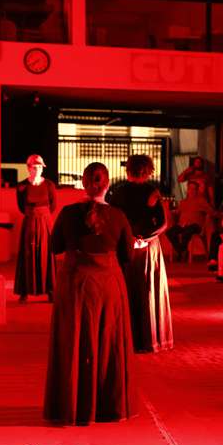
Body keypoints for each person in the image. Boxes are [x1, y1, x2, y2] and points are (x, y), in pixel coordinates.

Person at [44, 162, 134, 425]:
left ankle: (71, 407)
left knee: (73, 343)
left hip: (75, 284)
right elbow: (127, 255)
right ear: (107, 185)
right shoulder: (118, 216)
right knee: (108, 345)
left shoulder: (68, 212)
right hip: (108, 286)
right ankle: (108, 409)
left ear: (83, 184)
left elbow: (56, 247)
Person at [108, 154, 173, 353]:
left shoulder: (117, 192)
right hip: (147, 248)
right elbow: (163, 223)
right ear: (148, 170)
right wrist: (143, 238)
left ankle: (123, 338)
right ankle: (149, 339)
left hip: (123, 247)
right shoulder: (151, 192)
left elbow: (112, 219)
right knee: (147, 291)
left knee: (126, 290)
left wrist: (126, 239)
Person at [14, 154, 57, 303]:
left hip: (45, 223)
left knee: (46, 254)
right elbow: (21, 206)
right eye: (35, 167)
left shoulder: (49, 185)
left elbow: (53, 206)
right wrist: (33, 215)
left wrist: (42, 216)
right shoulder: (22, 186)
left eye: (40, 167)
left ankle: (50, 290)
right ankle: (25, 291)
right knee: (28, 254)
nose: (38, 169)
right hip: (30, 223)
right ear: (28, 168)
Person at [165, 180, 215, 261]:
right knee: (169, 232)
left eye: (193, 189)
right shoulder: (183, 202)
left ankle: (181, 253)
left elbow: (211, 212)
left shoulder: (201, 201)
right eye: (189, 188)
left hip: (195, 225)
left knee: (187, 232)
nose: (191, 190)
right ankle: (181, 250)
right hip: (183, 225)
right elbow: (177, 212)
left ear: (196, 190)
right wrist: (170, 211)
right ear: (187, 190)